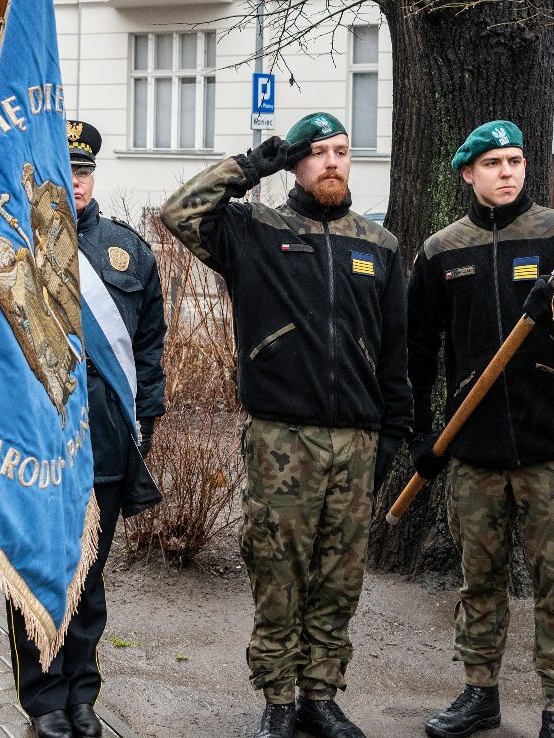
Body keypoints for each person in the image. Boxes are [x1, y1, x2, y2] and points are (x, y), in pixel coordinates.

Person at [161, 112, 411, 738]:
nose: (331, 162)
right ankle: (277, 698)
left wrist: (393, 437)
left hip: (356, 439)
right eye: (317, 152)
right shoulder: (257, 231)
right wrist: (253, 165)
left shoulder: (378, 245)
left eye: (342, 152)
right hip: (282, 439)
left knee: (340, 575)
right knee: (278, 570)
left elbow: (396, 351)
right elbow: (179, 213)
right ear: (297, 163)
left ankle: (319, 697)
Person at [405, 119, 554, 738]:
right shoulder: (441, 250)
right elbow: (418, 354)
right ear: (468, 174)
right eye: (493, 164)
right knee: (478, 581)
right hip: (475, 450)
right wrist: (419, 436)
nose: (507, 172)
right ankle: (479, 692)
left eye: (515, 161)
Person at [8, 119, 167, 738]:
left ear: (92, 175)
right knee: (38, 575)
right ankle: (43, 698)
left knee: (89, 583)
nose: (73, 181)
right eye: (62, 170)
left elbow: (149, 350)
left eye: (81, 170)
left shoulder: (128, 250)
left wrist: (144, 426)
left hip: (104, 445)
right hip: (38, 446)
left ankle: (81, 695)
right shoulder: (20, 245)